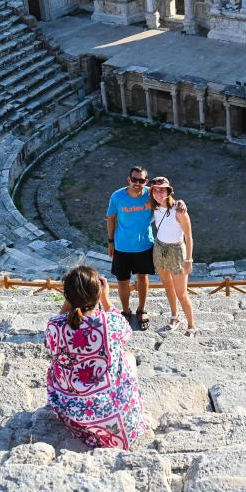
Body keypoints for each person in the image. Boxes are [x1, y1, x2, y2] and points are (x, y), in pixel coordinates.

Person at [45, 266, 145, 450]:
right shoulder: (110, 321)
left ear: (67, 295)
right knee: (128, 356)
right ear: (97, 293)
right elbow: (127, 333)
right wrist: (105, 299)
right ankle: (129, 403)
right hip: (114, 415)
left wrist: (69, 302)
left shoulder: (54, 325)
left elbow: (50, 342)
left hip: (72, 412)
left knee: (54, 364)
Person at [106, 165, 156, 330]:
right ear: (129, 179)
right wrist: (110, 241)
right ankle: (126, 310)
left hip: (144, 245)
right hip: (122, 246)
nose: (137, 183)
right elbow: (111, 219)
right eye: (134, 179)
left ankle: (141, 309)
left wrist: (181, 203)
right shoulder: (117, 196)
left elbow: (168, 199)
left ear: (146, 181)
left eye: (141, 180)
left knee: (143, 277)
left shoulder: (151, 194)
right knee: (122, 281)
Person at [150, 177, 197, 337]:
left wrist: (189, 260)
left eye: (162, 189)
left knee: (182, 293)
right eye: (155, 190)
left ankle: (191, 325)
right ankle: (175, 316)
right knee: (167, 285)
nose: (158, 193)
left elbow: (189, 237)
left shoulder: (179, 210)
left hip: (177, 251)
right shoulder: (154, 206)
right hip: (160, 247)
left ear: (169, 191)